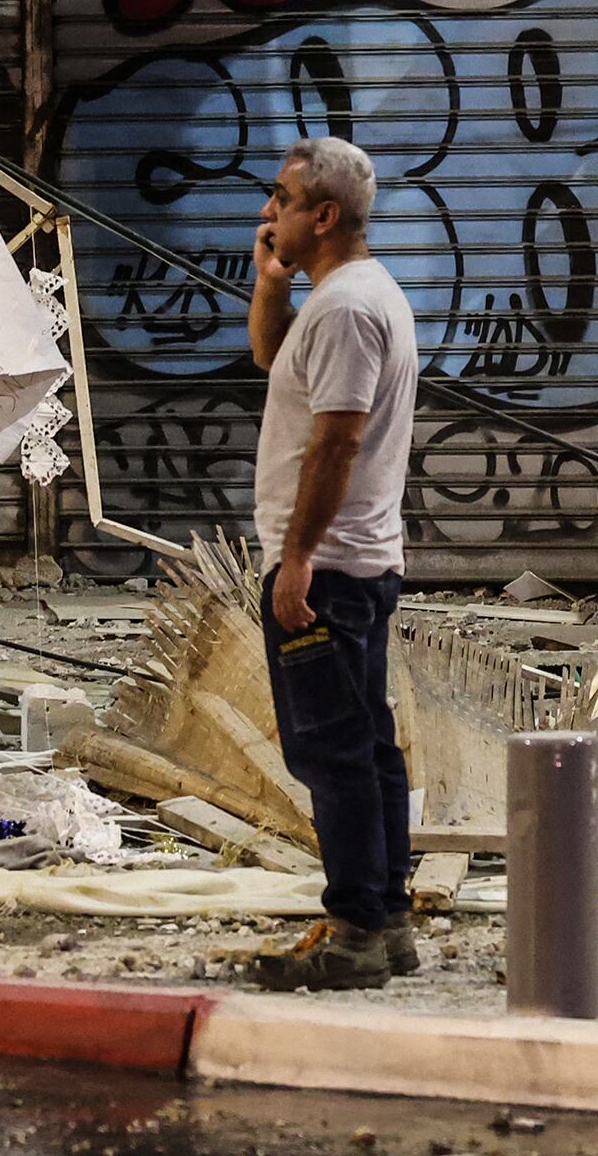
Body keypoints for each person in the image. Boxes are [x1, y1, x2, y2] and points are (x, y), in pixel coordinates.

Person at [239, 136, 422, 992]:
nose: (267, 211)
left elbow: (338, 440)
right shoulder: (337, 300)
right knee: (367, 744)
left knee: (335, 753)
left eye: (281, 198)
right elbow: (273, 360)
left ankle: (355, 931)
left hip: (333, 571)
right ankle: (385, 921)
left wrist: (297, 560)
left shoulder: (349, 308)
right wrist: (270, 280)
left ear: (325, 215)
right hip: (350, 564)